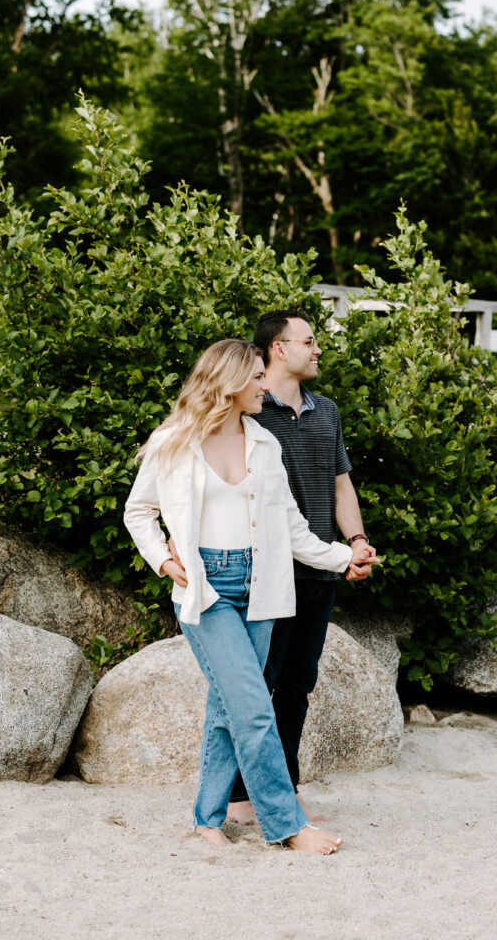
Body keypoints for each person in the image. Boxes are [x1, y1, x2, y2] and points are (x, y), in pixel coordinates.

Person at [124, 338, 361, 855]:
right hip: (205, 589)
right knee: (254, 708)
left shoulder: (264, 444)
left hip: (261, 588)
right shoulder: (173, 441)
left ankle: (207, 818)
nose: (263, 386)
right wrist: (164, 561)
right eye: (256, 377)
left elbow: (293, 530)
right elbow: (138, 512)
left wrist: (344, 558)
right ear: (230, 383)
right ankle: (287, 824)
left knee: (228, 708)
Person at [227, 309, 378, 823]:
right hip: (264, 570)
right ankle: (238, 797)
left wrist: (356, 543)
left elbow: (340, 485)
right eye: (308, 341)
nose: (317, 350)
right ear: (277, 348)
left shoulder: (327, 411)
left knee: (297, 683)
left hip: (320, 570)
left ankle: (283, 788)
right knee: (257, 682)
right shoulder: (246, 409)